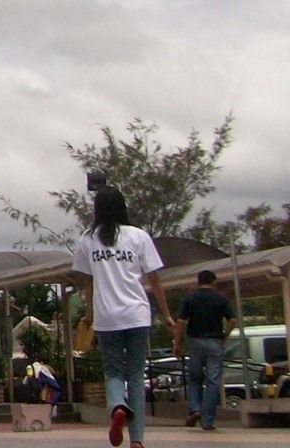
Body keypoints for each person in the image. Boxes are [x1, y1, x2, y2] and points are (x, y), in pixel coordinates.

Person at [72, 185, 173, 448]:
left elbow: (88, 283)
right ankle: (137, 439)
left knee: (114, 372)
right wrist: (167, 315)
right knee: (137, 376)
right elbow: (154, 280)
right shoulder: (138, 237)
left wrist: (89, 314)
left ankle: (118, 406)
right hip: (137, 315)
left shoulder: (87, 240)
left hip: (107, 318)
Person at [176, 269, 236, 430]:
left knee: (195, 378)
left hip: (195, 341)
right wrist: (224, 336)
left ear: (198, 282)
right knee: (213, 381)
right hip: (214, 341)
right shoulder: (221, 299)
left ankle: (194, 409)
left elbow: (181, 321)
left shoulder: (190, 299)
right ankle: (207, 420)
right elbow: (232, 320)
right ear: (214, 282)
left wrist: (177, 342)